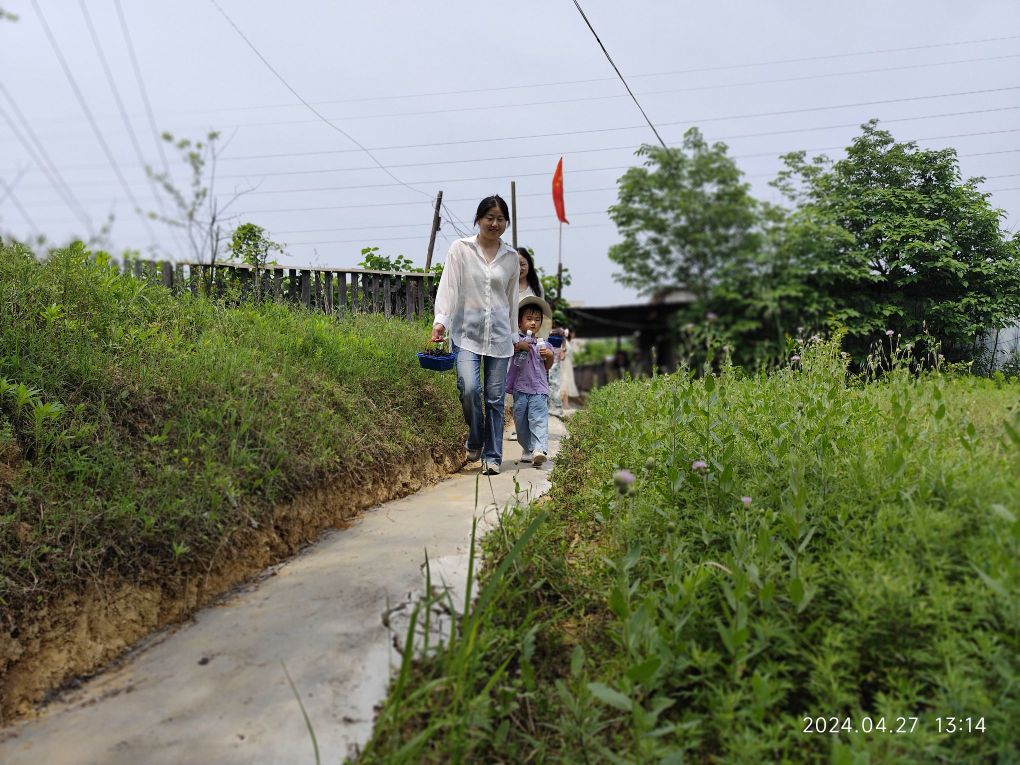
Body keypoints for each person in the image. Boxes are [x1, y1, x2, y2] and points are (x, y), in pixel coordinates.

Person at [431, 195, 519, 475]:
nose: (495, 223)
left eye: (500, 219)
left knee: (494, 399)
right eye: (489, 217)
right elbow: (449, 287)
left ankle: (492, 457)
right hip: (466, 333)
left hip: (499, 336)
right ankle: (476, 438)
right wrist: (441, 321)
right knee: (469, 389)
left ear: (506, 223)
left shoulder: (511, 258)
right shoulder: (461, 249)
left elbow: (511, 298)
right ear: (478, 219)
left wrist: (515, 335)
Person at [506, 296, 554, 466]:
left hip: (539, 389)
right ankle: (528, 448)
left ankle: (539, 449)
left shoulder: (544, 345)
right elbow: (509, 351)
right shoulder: (516, 341)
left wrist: (549, 355)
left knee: (538, 419)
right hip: (520, 388)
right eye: (529, 319)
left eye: (537, 319)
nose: (533, 323)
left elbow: (548, 365)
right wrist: (519, 346)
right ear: (519, 323)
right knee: (521, 422)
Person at [558, 328, 579, 409]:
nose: (574, 335)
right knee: (564, 382)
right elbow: (562, 354)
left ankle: (565, 404)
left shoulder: (568, 342)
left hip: (568, 364)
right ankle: (564, 404)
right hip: (564, 364)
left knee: (566, 382)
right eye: (573, 333)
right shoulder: (564, 342)